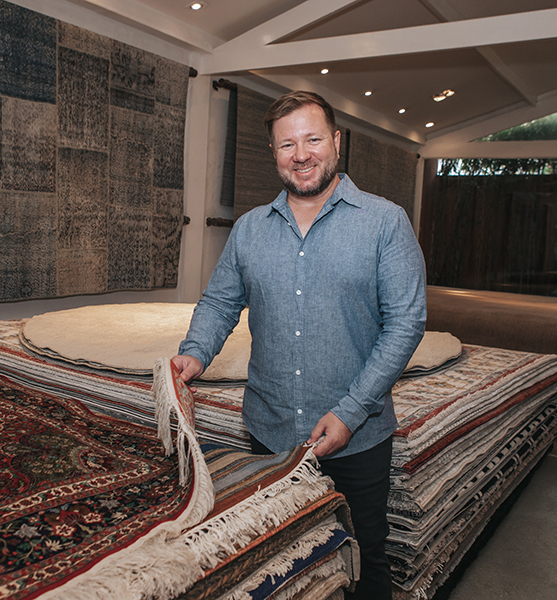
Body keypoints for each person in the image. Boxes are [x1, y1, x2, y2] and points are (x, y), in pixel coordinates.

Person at [172, 90, 426, 599]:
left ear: (337, 142)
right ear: (273, 152)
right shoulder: (249, 229)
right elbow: (220, 302)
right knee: (279, 557)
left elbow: (405, 324)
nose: (302, 155)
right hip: (269, 433)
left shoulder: (385, 221)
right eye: (287, 145)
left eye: (313, 140)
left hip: (358, 436)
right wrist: (195, 352)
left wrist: (350, 413)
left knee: (364, 555)